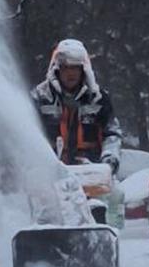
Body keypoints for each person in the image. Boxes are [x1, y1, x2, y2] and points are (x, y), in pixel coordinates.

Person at [31, 38, 123, 171]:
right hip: (50, 175)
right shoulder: (39, 97)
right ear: (56, 69)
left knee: (116, 193)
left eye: (75, 67)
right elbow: (27, 136)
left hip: (93, 174)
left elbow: (112, 133)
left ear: (84, 69)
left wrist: (109, 159)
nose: (71, 73)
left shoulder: (98, 98)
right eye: (66, 67)